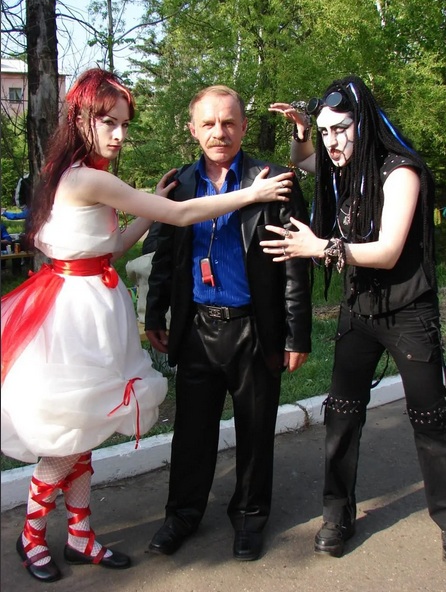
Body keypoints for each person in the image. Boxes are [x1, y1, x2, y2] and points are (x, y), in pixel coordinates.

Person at [0, 68, 294, 584]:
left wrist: (150, 211)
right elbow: (180, 216)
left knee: (84, 430)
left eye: (123, 124)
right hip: (74, 317)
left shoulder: (76, 173)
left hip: (89, 303)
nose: (118, 135)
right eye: (107, 122)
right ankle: (32, 537)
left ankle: (79, 535)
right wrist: (249, 195)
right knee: (66, 439)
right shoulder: (87, 178)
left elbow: (111, 247)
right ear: (80, 119)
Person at [264, 76, 446, 565]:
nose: (332, 142)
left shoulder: (401, 171)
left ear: (365, 122)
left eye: (341, 129)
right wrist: (302, 133)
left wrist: (320, 247)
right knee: (341, 414)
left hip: (409, 310)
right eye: (325, 132)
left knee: (430, 417)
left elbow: (388, 250)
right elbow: (306, 160)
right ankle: (337, 515)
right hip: (360, 309)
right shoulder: (344, 166)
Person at [144, 85, 312, 562]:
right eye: (209, 123)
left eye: (229, 122)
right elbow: (165, 255)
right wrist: (156, 312)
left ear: (243, 125)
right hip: (198, 329)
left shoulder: (274, 180)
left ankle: (250, 518)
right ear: (193, 129)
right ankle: (182, 516)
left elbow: (295, 263)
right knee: (191, 434)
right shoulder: (179, 184)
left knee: (255, 431)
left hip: (254, 329)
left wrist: (297, 334)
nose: (220, 132)